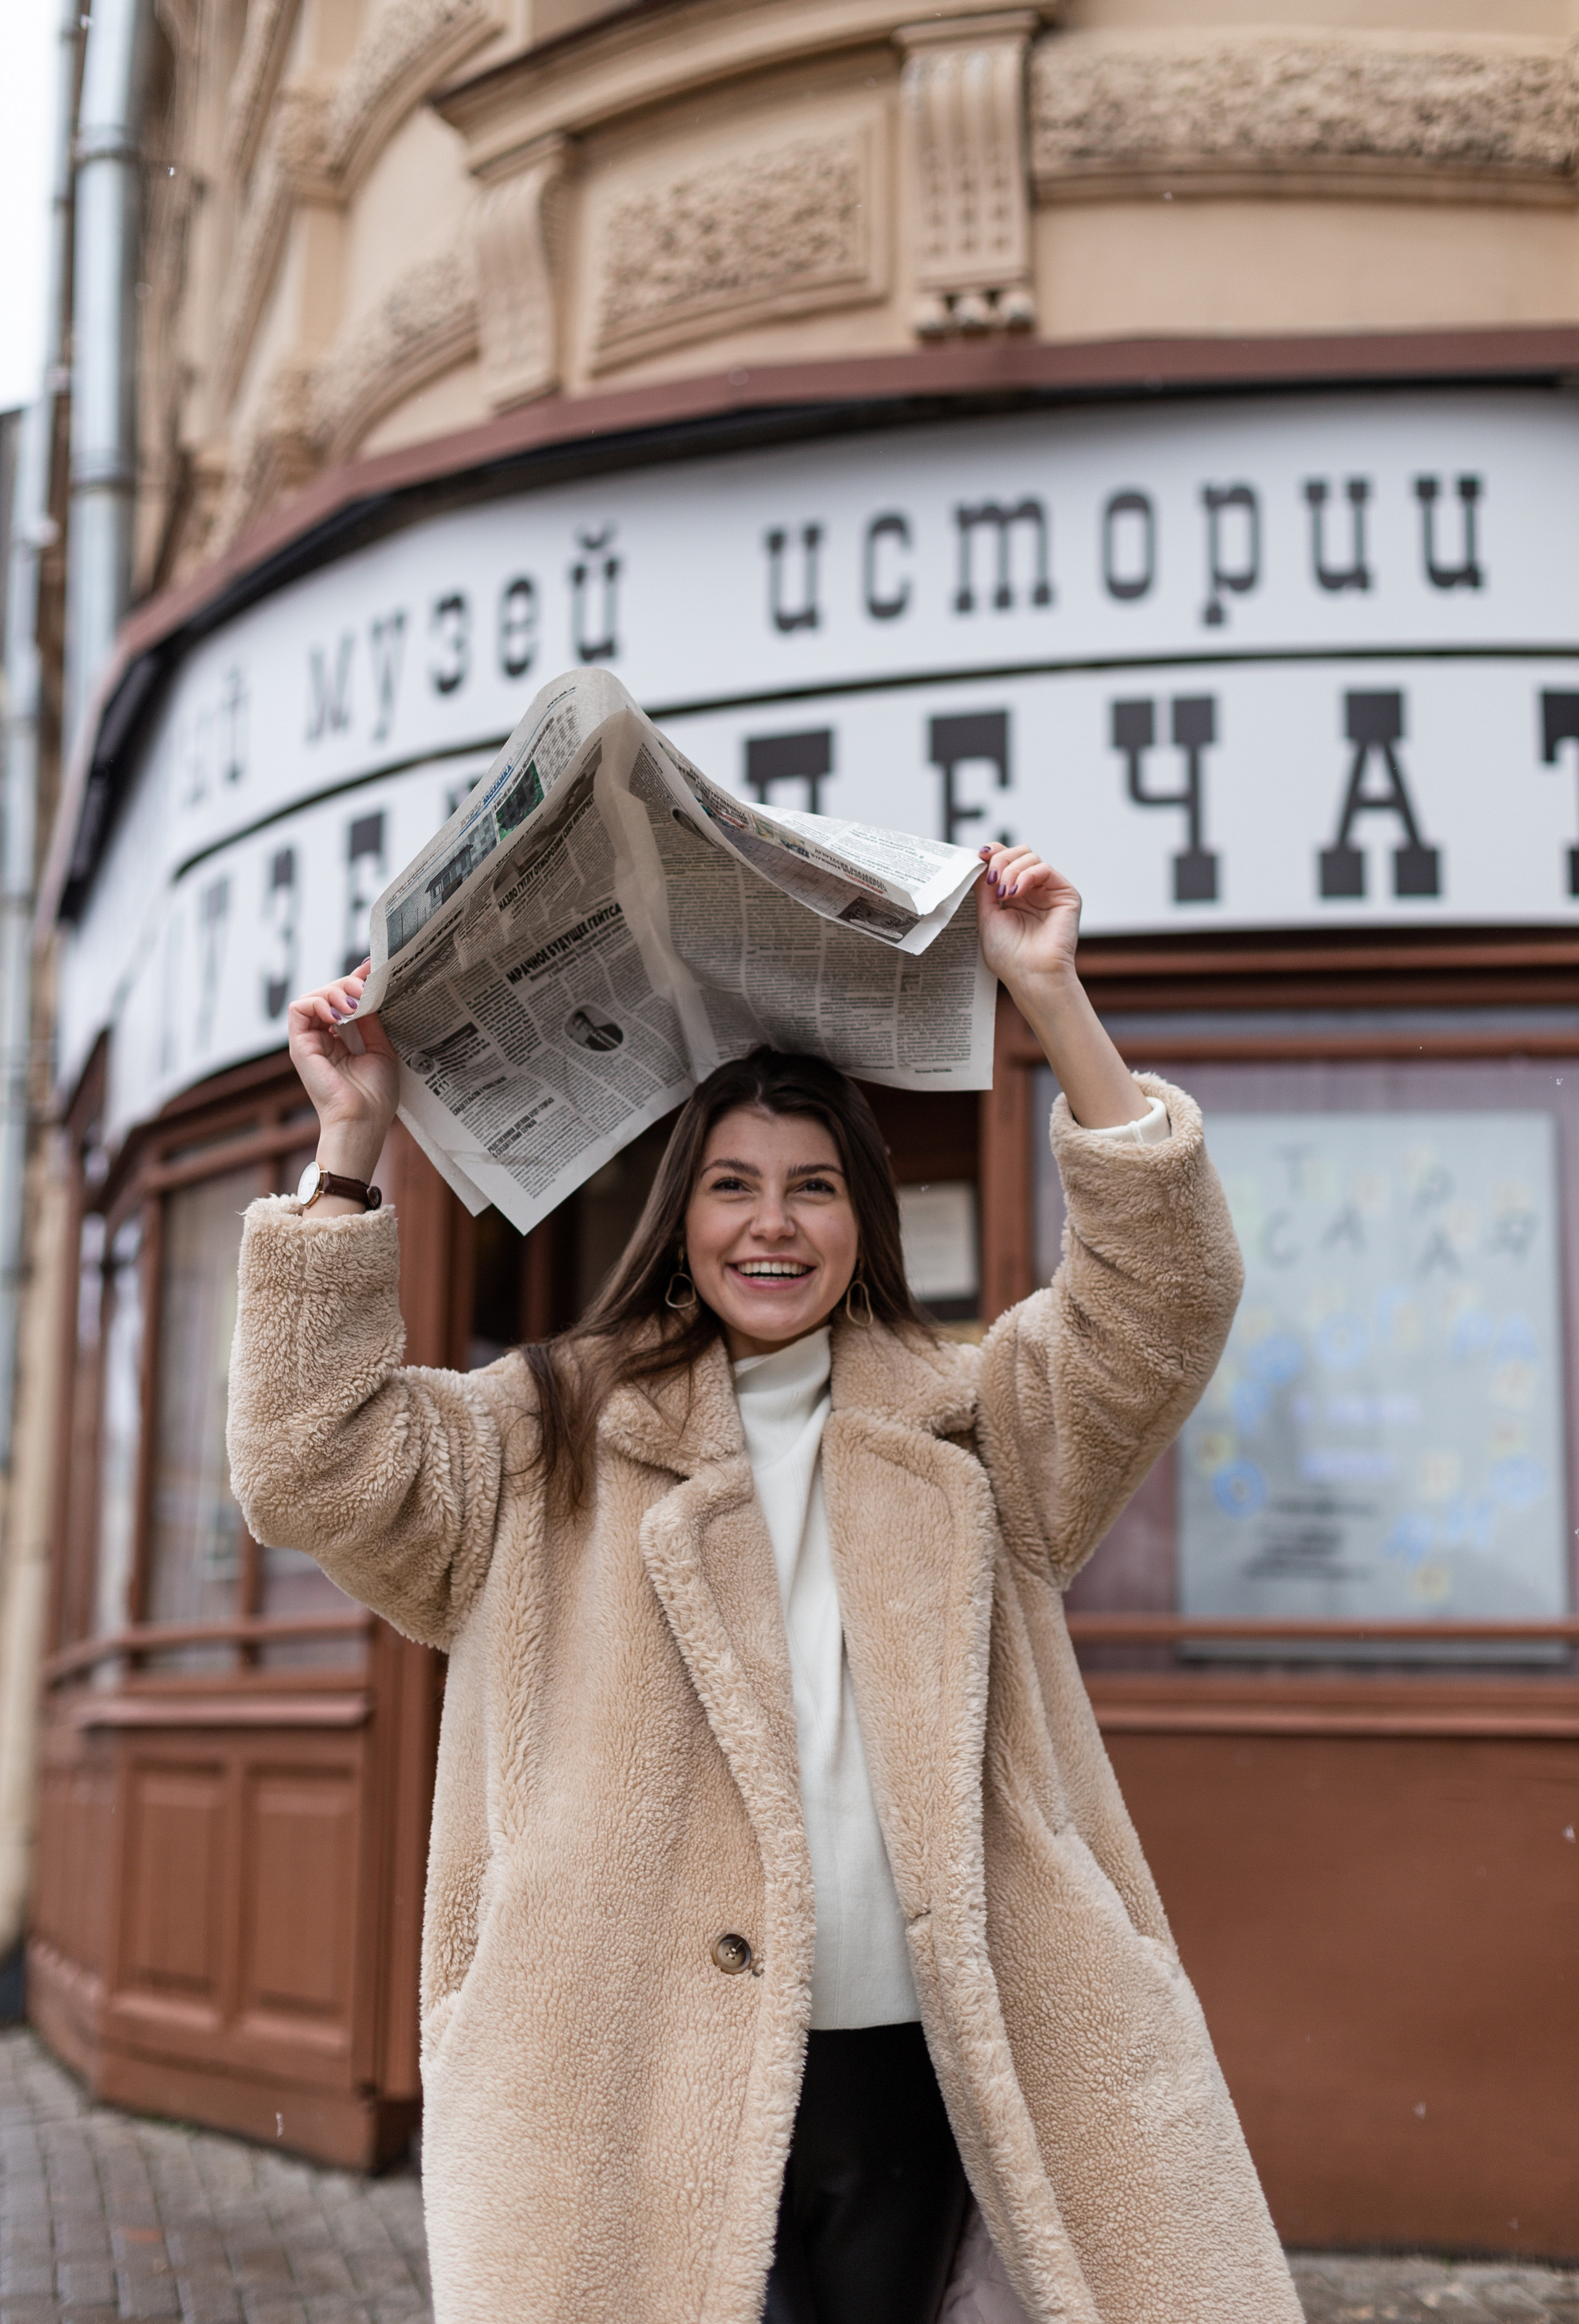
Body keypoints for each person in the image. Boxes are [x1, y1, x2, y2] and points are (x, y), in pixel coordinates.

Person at [227, 842, 1303, 2324]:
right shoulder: (542, 1430)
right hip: (626, 2075)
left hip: (918, 2063)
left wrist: (1047, 995)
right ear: (682, 1220)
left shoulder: (976, 1420)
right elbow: (305, 1458)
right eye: (730, 1185)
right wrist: (352, 1143)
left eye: (810, 1187)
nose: (770, 1223)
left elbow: (1162, 1299)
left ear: (862, 1218)